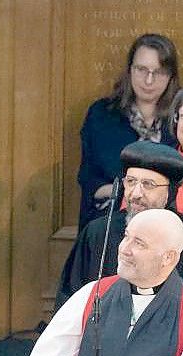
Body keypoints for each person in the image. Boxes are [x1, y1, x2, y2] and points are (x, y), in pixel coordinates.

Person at [17, 208, 183, 356]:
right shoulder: (94, 293)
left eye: (139, 243)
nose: (124, 249)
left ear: (169, 257)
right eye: (126, 236)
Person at [56, 141, 183, 310]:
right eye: (131, 182)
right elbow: (70, 301)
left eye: (148, 184)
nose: (136, 194)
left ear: (171, 191)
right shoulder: (99, 232)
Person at [78, 34, 180, 231]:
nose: (149, 80)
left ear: (171, 77)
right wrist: (133, 193)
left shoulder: (179, 119)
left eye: (159, 72)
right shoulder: (102, 115)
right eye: (141, 69)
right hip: (109, 220)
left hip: (169, 225)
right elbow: (89, 178)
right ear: (129, 70)